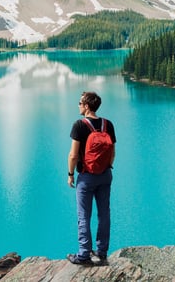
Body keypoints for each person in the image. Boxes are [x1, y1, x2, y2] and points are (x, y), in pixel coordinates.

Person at [66, 91, 116, 266]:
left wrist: (71, 174)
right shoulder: (107, 124)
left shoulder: (79, 125)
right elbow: (113, 153)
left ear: (87, 106)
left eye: (80, 103)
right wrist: (105, 168)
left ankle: (84, 254)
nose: (78, 105)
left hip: (86, 177)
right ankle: (102, 252)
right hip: (105, 175)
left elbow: (73, 155)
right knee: (104, 213)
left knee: (83, 216)